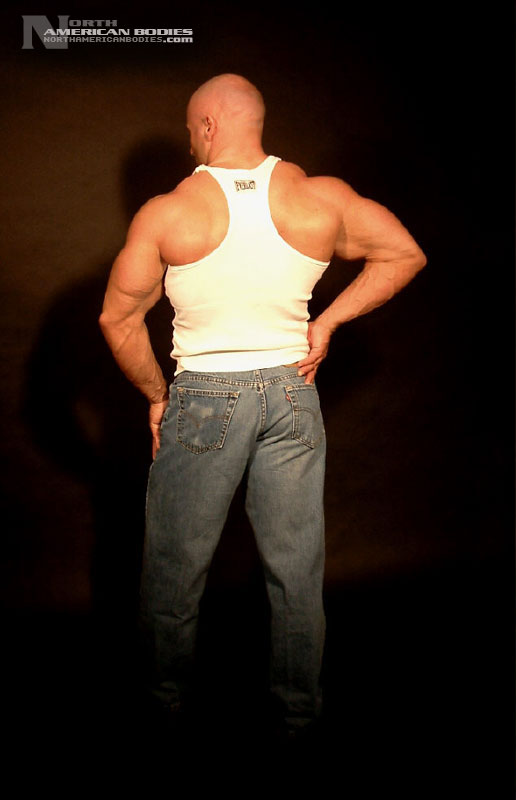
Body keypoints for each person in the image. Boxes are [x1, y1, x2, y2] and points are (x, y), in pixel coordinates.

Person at [99, 73, 427, 740]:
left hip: (203, 399)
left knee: (175, 570)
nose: (190, 143)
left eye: (192, 130)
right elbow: (403, 254)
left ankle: (163, 707)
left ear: (209, 125)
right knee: (295, 570)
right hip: (292, 394)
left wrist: (158, 397)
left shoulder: (168, 212)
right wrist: (325, 323)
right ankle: (299, 714)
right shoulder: (318, 197)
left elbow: (118, 320)